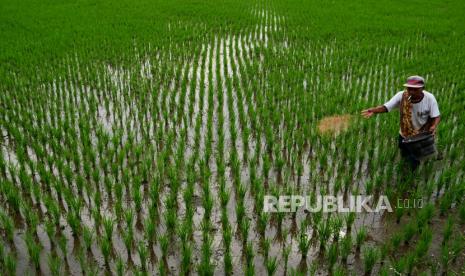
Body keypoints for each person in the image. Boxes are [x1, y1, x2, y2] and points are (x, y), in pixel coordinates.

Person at [361, 76, 441, 171]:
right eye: (409, 88)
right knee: (403, 151)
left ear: (422, 89)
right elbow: (386, 107)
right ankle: (404, 167)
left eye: (415, 89)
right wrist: (373, 110)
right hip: (404, 133)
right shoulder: (401, 96)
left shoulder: (430, 98)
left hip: (420, 135)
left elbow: (436, 116)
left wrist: (433, 126)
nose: (411, 91)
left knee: (415, 157)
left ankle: (412, 173)